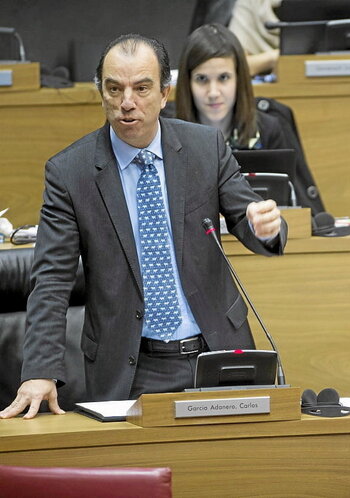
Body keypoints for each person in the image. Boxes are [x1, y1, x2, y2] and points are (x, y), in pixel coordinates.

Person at [0, 33, 287, 420]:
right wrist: (39, 372)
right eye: (114, 89)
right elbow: (51, 278)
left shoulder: (205, 148)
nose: (127, 102)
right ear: (100, 91)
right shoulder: (70, 173)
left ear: (165, 92)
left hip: (216, 350)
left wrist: (265, 227)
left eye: (141, 88)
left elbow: (248, 218)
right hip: (131, 365)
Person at [175, 23, 325, 214]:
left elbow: (292, 209)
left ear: (239, 79)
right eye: (202, 79)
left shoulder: (269, 128)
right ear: (187, 83)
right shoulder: (170, 134)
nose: (213, 93)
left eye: (223, 78)